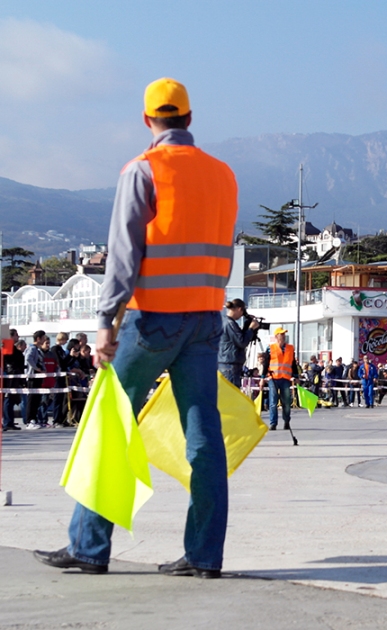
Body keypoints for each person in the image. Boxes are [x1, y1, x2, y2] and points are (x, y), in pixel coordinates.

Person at [34, 78, 239, 578]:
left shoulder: (143, 170)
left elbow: (124, 254)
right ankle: (204, 555)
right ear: (189, 119)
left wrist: (105, 320)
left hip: (151, 322)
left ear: (147, 121)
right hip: (205, 319)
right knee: (203, 437)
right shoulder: (223, 175)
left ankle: (88, 545)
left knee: (108, 423)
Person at [262, 327, 299, 430]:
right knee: (273, 402)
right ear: (276, 336)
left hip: (285, 378)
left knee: (286, 402)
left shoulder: (290, 348)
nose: (283, 336)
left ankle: (286, 421)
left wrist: (296, 376)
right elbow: (266, 364)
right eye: (281, 334)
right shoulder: (270, 348)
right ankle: (273, 423)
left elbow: (293, 364)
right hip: (273, 378)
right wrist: (262, 378)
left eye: (284, 334)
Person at [218, 298, 259, 387]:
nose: (241, 316)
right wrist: (251, 329)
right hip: (230, 365)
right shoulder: (230, 324)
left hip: (226, 363)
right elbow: (241, 342)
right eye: (242, 313)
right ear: (240, 309)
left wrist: (247, 325)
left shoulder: (224, 321)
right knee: (231, 394)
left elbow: (239, 337)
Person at [2, 328, 25, 431]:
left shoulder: (13, 349)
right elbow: (7, 362)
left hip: (15, 376)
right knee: (8, 399)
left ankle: (9, 421)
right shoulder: (7, 348)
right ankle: (7, 421)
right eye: (16, 335)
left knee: (11, 400)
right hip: (9, 377)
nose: (18, 337)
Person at [23, 330, 47, 429]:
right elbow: (28, 359)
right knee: (32, 399)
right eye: (43, 338)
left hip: (38, 377)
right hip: (32, 377)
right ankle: (29, 421)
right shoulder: (32, 348)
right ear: (38, 339)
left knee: (37, 399)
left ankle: (34, 419)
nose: (45, 340)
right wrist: (36, 368)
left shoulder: (38, 350)